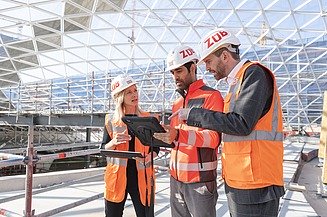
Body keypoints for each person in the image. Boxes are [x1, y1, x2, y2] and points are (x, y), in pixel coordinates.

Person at [170, 28, 285, 217]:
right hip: (241, 178)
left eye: (208, 61)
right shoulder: (236, 84)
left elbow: (240, 123)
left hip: (257, 183)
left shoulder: (254, 74)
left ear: (224, 55)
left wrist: (193, 114)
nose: (206, 68)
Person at [154, 45, 224, 217]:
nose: (175, 77)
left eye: (178, 71)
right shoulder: (178, 102)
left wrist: (178, 134)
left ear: (192, 68)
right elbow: (177, 139)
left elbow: (214, 139)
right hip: (175, 180)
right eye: (172, 73)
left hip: (199, 181)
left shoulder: (212, 97)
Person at [100, 75, 160, 217]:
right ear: (120, 96)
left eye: (135, 90)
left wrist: (151, 156)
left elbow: (156, 147)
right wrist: (113, 142)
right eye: (129, 92)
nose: (135, 94)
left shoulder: (148, 119)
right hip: (116, 179)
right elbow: (103, 149)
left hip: (142, 178)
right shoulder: (111, 121)